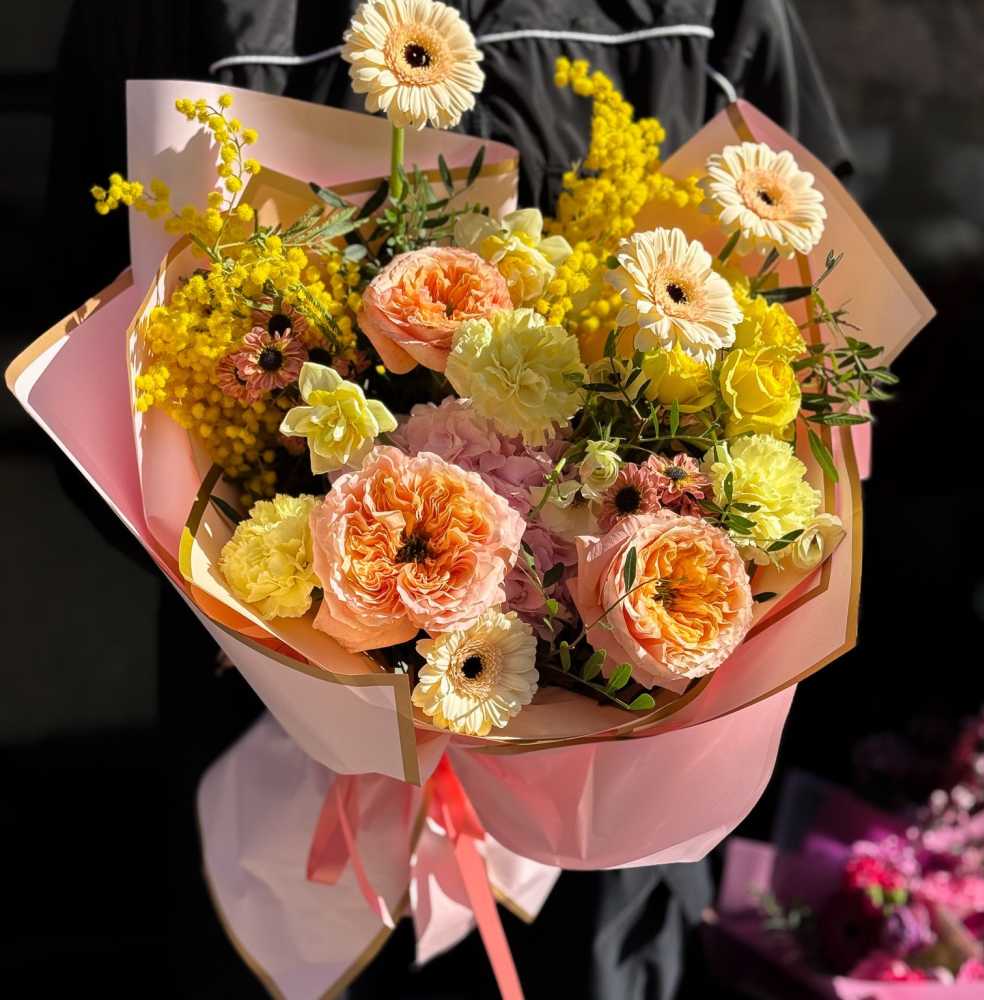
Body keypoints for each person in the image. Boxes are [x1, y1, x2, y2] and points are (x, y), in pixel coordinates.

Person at [42, 2, 850, 996]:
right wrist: (310, 626)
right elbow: (93, 346)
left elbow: (807, 296)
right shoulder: (195, 14)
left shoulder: (693, 14)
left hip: (610, 792)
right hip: (285, 749)